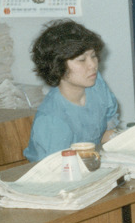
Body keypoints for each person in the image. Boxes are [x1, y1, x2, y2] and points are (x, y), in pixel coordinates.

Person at [23, 19, 120, 163]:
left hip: (91, 162)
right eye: (82, 60)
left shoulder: (95, 84)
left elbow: (107, 131)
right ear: (58, 67)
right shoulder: (52, 119)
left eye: (93, 56)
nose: (92, 65)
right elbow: (56, 172)